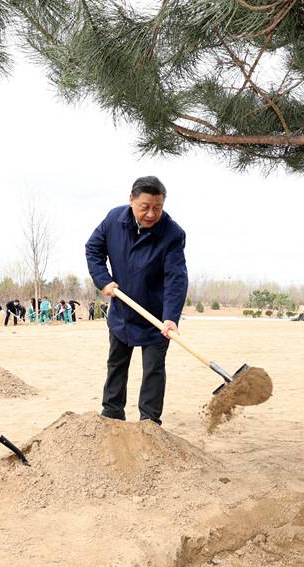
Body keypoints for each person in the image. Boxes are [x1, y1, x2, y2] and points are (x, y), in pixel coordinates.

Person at [85, 176, 188, 425]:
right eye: (145, 207)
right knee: (116, 364)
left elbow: (176, 278)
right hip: (122, 310)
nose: (151, 214)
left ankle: (149, 422)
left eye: (158, 207)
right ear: (131, 200)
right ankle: (112, 415)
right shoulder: (113, 220)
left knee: (153, 369)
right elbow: (93, 249)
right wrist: (103, 280)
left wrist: (171, 318)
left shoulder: (172, 234)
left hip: (156, 317)